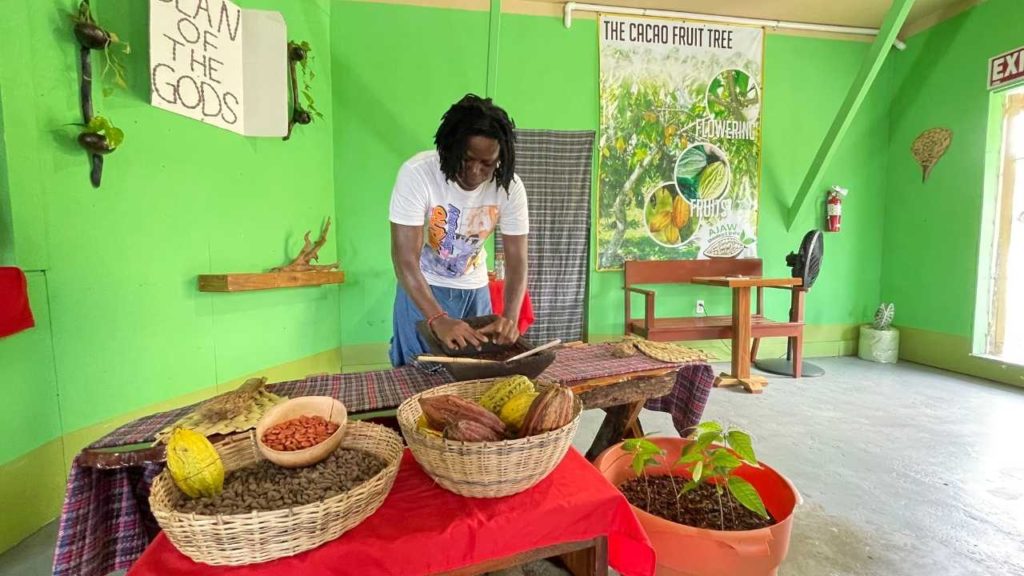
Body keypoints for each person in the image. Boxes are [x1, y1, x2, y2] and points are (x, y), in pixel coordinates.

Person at [388, 94, 529, 367]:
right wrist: (437, 318)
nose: (475, 171)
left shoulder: (509, 187)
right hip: (423, 288)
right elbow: (404, 258)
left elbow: (517, 259)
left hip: (476, 292)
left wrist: (510, 316)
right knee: (418, 374)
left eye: (487, 164)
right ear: (448, 149)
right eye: (466, 159)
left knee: (477, 376)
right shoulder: (418, 174)